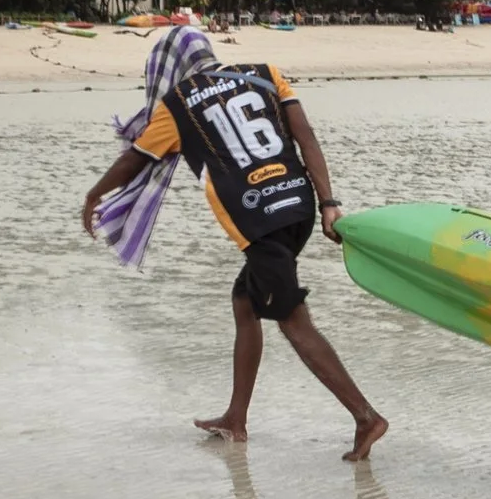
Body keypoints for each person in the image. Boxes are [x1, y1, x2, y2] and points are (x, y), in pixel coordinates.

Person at [80, 26, 386, 461]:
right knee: (245, 301)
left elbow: (135, 158)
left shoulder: (179, 102)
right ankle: (235, 418)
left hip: (258, 219)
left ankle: (365, 417)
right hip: (298, 207)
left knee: (292, 319)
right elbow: (306, 136)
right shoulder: (265, 74)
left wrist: (95, 194)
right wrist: (328, 204)